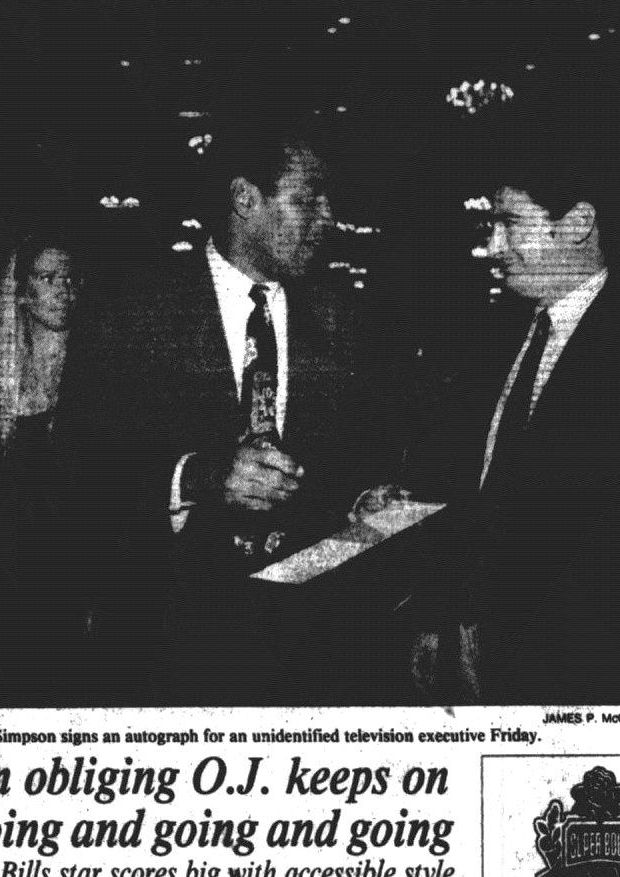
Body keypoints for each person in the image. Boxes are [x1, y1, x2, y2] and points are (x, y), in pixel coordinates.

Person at [69, 115, 407, 704]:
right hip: (168, 650)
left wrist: (367, 499)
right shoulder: (129, 312)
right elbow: (75, 473)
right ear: (245, 199)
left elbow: (363, 455)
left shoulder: (350, 322)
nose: (328, 216)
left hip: (318, 655)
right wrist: (197, 477)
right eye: (308, 200)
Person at [415, 125, 620, 705]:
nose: (493, 247)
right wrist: (447, 619)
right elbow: (481, 489)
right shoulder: (499, 334)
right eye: (490, 228)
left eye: (510, 225)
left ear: (578, 223)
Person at [0, 231, 94, 706]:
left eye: (71, 278)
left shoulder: (98, 365)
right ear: (22, 290)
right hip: (1, 572)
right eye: (49, 277)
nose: (64, 290)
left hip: (74, 568)